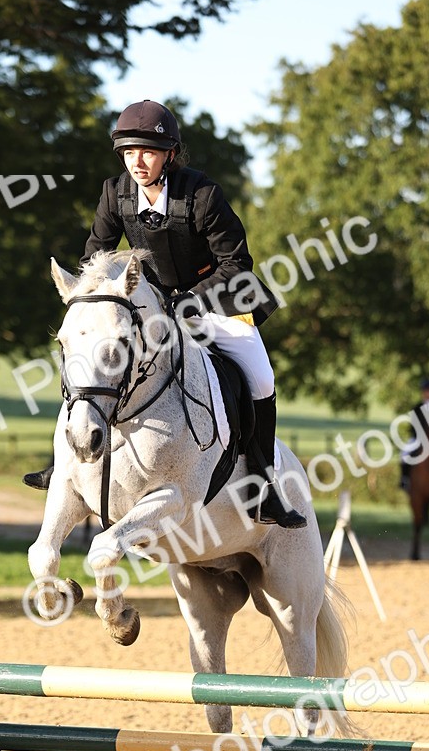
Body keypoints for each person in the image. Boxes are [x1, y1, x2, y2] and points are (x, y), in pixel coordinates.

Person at [24, 99, 305, 529]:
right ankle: (61, 463)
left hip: (214, 303)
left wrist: (188, 301)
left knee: (262, 378)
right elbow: (93, 258)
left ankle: (262, 485)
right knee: (91, 359)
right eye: (130, 152)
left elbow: (237, 265)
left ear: (169, 155)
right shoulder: (114, 193)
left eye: (149, 152)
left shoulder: (203, 195)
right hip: (152, 309)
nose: (138, 161)